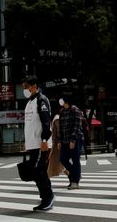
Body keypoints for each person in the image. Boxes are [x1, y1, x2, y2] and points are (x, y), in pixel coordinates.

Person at [21, 75, 54, 211]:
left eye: (26, 87)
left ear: (34, 87)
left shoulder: (41, 100)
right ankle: (45, 197)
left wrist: (45, 140)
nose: (24, 90)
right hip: (33, 144)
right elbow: (30, 124)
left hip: (41, 143)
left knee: (39, 170)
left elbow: (46, 122)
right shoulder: (29, 102)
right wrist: (26, 142)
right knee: (34, 171)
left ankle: (48, 197)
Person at [58, 95, 85, 190]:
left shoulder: (75, 110)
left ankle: (75, 182)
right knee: (62, 159)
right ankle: (75, 175)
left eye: (62, 99)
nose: (60, 101)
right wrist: (59, 140)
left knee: (75, 160)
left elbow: (76, 126)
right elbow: (60, 127)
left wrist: (73, 140)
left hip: (76, 139)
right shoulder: (62, 111)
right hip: (65, 140)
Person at [47, 112, 67, 179]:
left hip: (57, 145)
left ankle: (72, 175)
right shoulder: (57, 118)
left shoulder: (56, 118)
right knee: (58, 163)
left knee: (57, 162)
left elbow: (59, 131)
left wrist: (59, 141)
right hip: (56, 144)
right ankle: (71, 175)